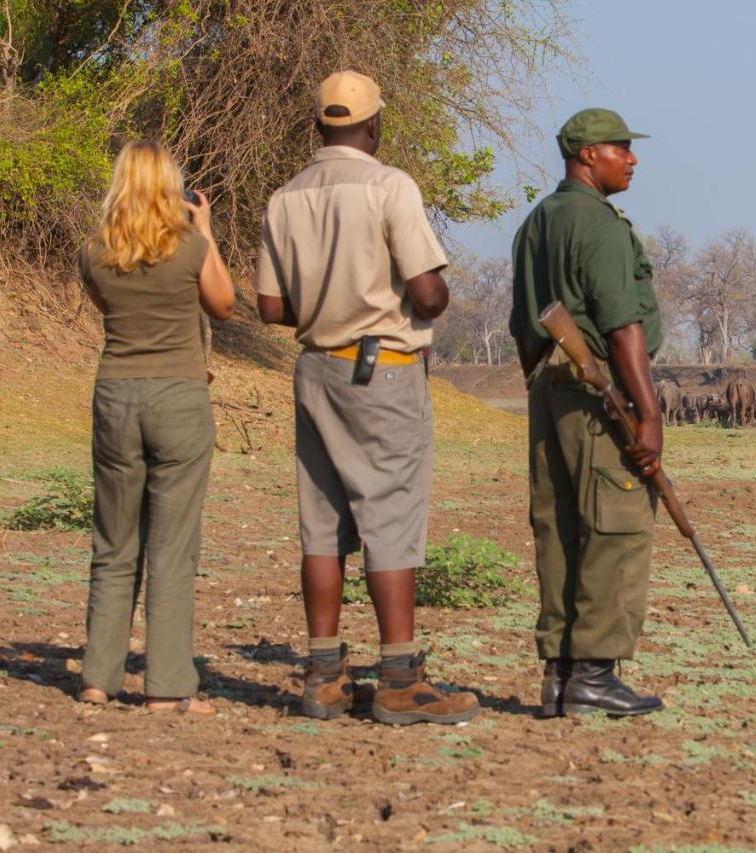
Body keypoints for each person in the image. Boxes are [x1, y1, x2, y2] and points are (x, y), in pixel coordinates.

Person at [254, 70, 478, 725]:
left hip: (315, 367)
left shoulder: (284, 197)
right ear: (375, 125)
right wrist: (419, 296)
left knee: (321, 525)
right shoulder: (390, 186)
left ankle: (323, 675)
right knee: (390, 516)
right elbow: (429, 291)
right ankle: (400, 678)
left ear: (319, 126)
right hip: (378, 369)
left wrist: (324, 301)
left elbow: (270, 305)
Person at [509, 108, 665, 717]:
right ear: (586, 156)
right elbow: (621, 324)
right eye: (620, 149)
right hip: (599, 393)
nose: (632, 159)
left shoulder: (535, 222)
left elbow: (526, 325)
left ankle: (560, 674)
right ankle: (596, 674)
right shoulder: (598, 224)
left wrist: (543, 388)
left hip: (548, 388)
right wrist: (646, 413)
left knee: (559, 528)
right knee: (616, 525)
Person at [77, 140, 235, 716]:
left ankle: (98, 677)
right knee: (172, 549)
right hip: (178, 398)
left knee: (114, 544)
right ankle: (167, 686)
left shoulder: (95, 250)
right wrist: (207, 229)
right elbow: (223, 304)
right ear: (171, 184)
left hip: (116, 395)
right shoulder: (190, 245)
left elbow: (105, 305)